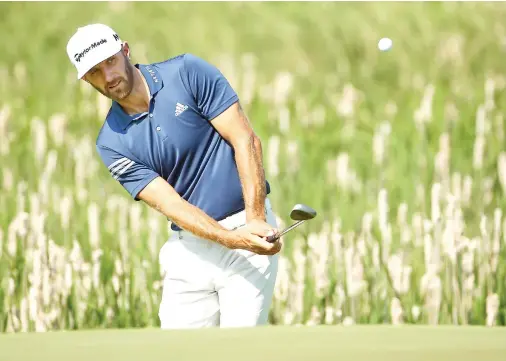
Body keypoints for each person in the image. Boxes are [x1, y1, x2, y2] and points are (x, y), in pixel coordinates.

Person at [66, 23, 283, 328]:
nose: (109, 77)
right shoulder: (111, 142)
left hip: (246, 225)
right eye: (95, 73)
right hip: (190, 248)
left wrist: (256, 219)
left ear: (125, 50)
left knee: (239, 349)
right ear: (86, 79)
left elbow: (245, 140)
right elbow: (172, 205)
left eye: (111, 62)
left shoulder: (186, 72)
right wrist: (230, 240)